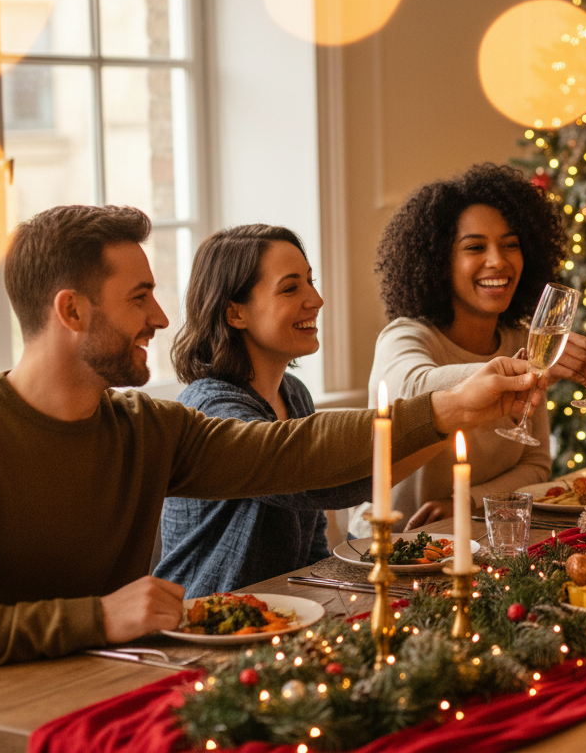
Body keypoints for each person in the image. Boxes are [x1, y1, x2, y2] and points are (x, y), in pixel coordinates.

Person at [0, 205, 539, 676]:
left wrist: (454, 407)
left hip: (120, 683)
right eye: (139, 296)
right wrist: (95, 618)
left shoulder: (147, 428)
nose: (162, 317)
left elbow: (291, 454)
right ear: (70, 311)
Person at [155, 225, 415, 597]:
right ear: (235, 313)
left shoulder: (294, 395)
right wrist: (454, 413)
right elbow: (318, 484)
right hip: (207, 627)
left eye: (311, 281)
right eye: (291, 287)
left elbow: (310, 549)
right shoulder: (210, 409)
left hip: (284, 616)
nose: (317, 299)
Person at [353, 163, 586, 534]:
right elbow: (413, 389)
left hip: (474, 536)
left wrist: (464, 503)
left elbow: (536, 464)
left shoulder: (525, 341)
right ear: (440, 261)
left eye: (510, 245)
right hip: (387, 546)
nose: (498, 261)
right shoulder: (405, 336)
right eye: (475, 247)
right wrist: (525, 370)